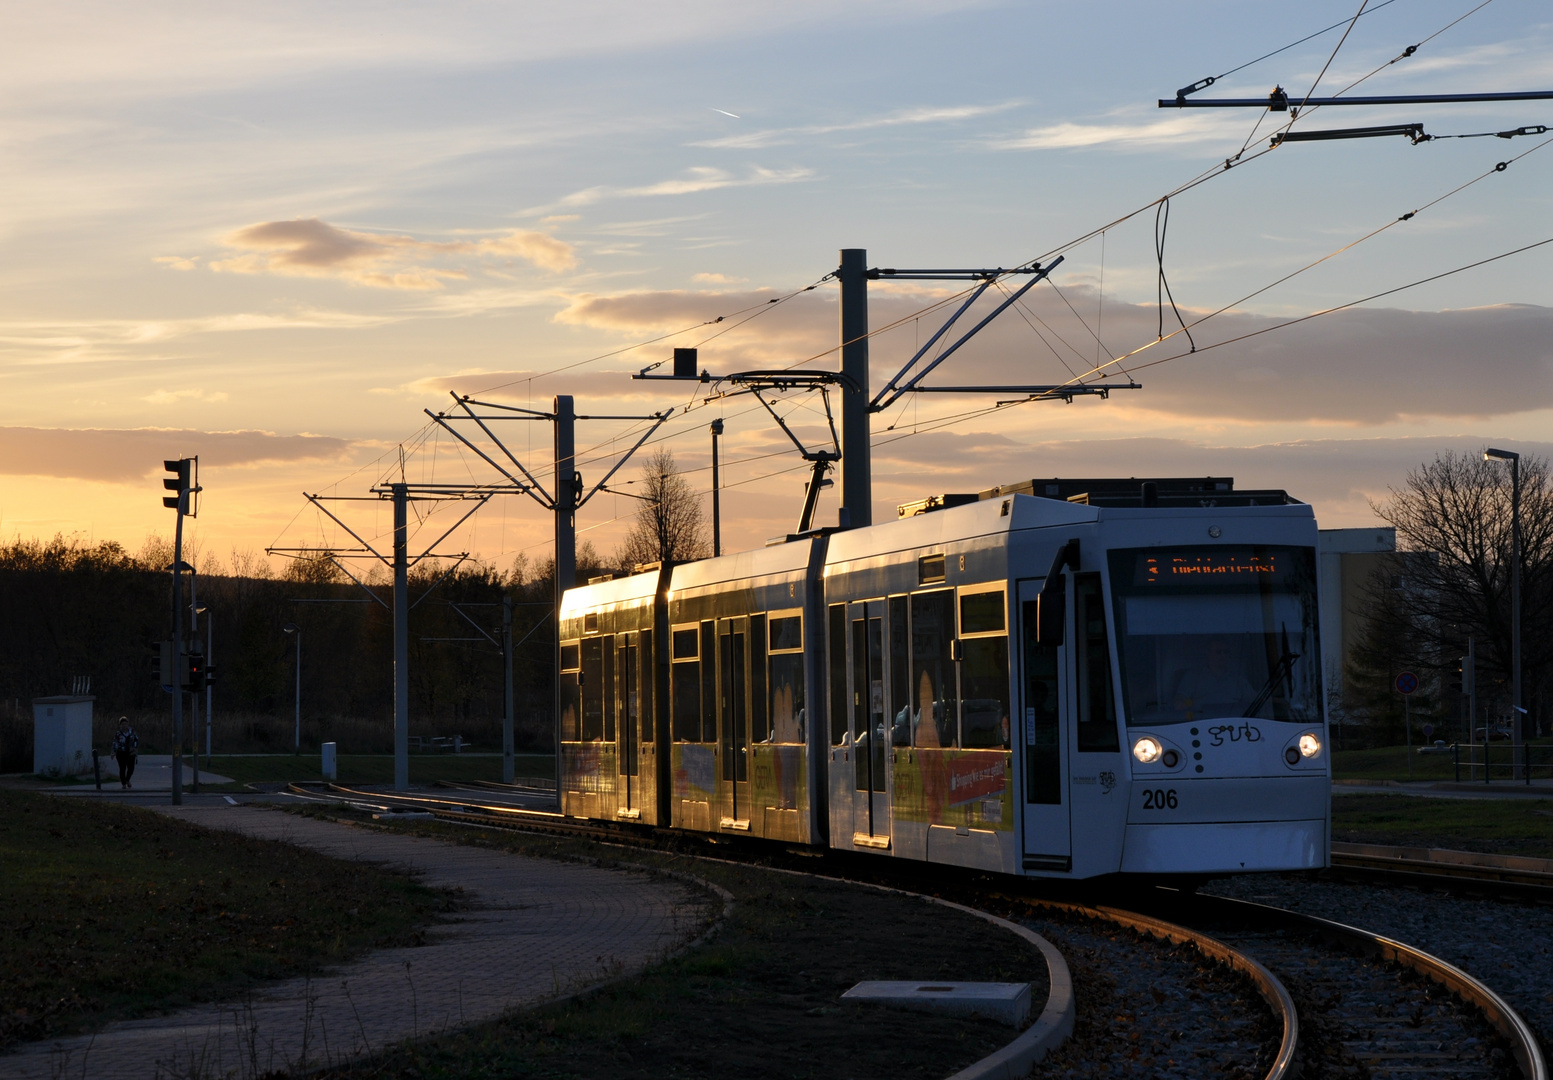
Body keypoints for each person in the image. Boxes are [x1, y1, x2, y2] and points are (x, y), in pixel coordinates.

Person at [1172, 638, 1258, 719]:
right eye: (1218, 652)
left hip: (1233, 725)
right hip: (1201, 724)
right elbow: (1180, 700)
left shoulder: (1238, 679)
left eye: (1226, 652)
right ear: (1208, 653)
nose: (1222, 655)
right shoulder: (1193, 677)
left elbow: (1255, 702)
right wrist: (1184, 704)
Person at [112, 717, 139, 789]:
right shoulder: (118, 733)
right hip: (121, 752)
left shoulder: (132, 732)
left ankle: (127, 779)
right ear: (120, 725)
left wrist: (135, 748)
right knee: (122, 768)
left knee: (131, 768)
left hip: (130, 752)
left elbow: (136, 740)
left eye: (125, 724)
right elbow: (115, 742)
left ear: (128, 724)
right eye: (122, 724)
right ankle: (123, 783)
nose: (124, 726)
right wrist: (114, 752)